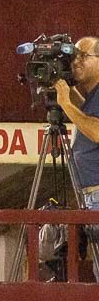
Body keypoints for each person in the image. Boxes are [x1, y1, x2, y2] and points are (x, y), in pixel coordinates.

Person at [53, 37, 99, 247]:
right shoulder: (93, 96)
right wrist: (70, 93)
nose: (76, 62)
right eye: (74, 56)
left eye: (84, 56)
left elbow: (96, 131)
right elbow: (88, 115)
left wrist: (65, 104)